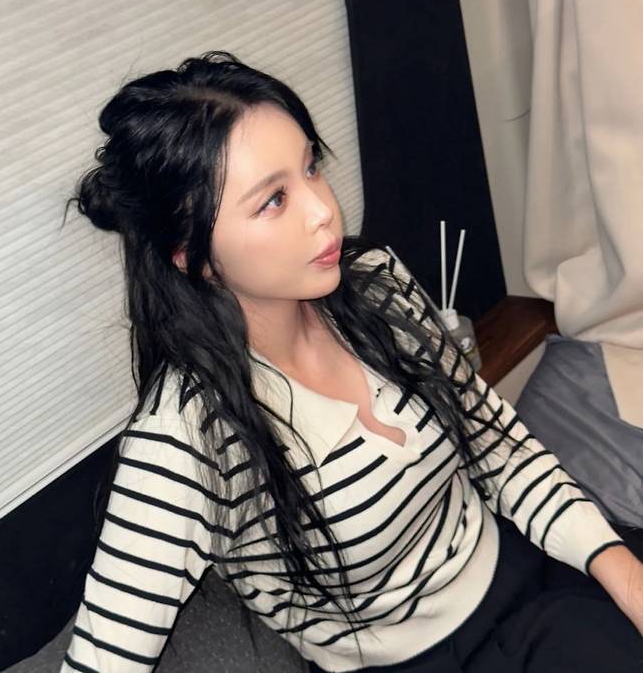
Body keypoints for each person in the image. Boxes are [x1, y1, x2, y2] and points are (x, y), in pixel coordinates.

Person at [59, 50, 643, 672]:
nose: (324, 210)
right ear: (190, 254)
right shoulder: (186, 437)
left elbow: (500, 450)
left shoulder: (374, 282)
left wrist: (624, 574)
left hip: (530, 578)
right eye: (273, 200)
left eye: (311, 167)